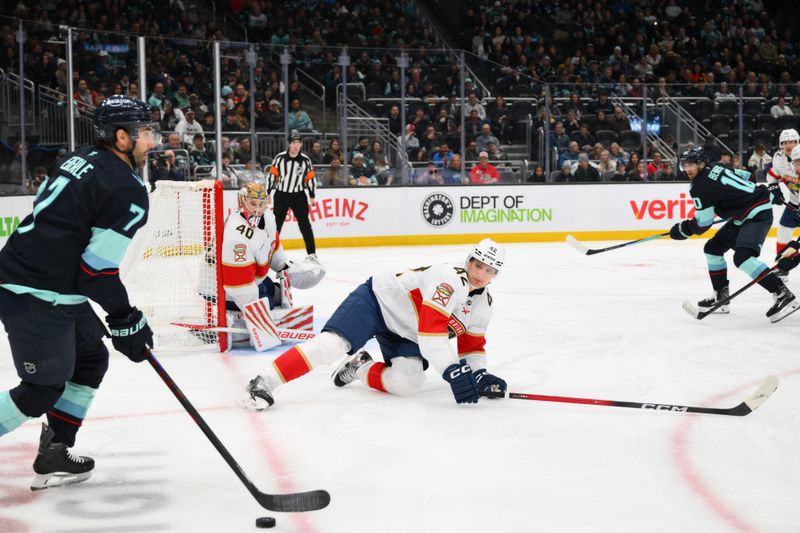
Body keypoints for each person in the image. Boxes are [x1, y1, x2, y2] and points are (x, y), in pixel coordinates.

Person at [0, 95, 157, 490]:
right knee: (41, 390)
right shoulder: (125, 190)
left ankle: (55, 450)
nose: (152, 141)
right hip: (33, 289)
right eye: (146, 132)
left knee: (89, 360)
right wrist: (125, 317)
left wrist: (122, 319)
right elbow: (96, 273)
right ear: (122, 137)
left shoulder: (83, 156)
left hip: (47, 282)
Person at [240, 239, 507, 410]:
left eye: (490, 270)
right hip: (378, 300)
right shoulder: (448, 278)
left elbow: (471, 346)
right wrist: (452, 371)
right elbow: (431, 336)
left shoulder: (484, 304)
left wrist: (479, 373)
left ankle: (360, 367)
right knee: (332, 346)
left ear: (495, 275)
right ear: (469, 260)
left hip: (406, 333)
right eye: (478, 265)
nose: (481, 274)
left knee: (409, 383)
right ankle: (264, 380)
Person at [668, 147, 798, 322]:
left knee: (742, 257)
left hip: (757, 214)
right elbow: (747, 177)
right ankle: (721, 298)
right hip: (746, 213)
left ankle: (782, 293)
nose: (688, 169)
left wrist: (682, 230)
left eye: (691, 164)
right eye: (685, 165)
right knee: (713, 249)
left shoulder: (699, 187)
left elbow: (702, 224)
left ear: (701, 163)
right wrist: (742, 199)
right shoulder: (717, 166)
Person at [220, 181, 323, 351]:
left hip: (253, 279)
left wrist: (285, 268)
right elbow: (238, 286)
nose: (257, 209)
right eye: (253, 203)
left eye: (261, 204)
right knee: (267, 301)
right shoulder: (235, 236)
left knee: (275, 294)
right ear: (241, 202)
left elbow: (272, 246)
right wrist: (261, 325)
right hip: (227, 291)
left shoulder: (268, 217)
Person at [267, 130, 318, 261]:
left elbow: (310, 178)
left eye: (298, 142)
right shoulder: (280, 158)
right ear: (289, 144)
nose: (296, 145)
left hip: (299, 196)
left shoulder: (306, 160)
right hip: (281, 195)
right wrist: (268, 192)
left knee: (305, 225)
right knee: (276, 225)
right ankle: (269, 252)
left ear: (301, 144)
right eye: (293, 142)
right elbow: (272, 175)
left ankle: (312, 254)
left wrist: (312, 195)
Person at [766, 129, 800, 274]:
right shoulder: (779, 157)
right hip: (794, 203)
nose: (788, 145)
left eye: (791, 142)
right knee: (783, 234)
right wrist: (774, 187)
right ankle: (782, 268)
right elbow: (772, 174)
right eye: (785, 142)